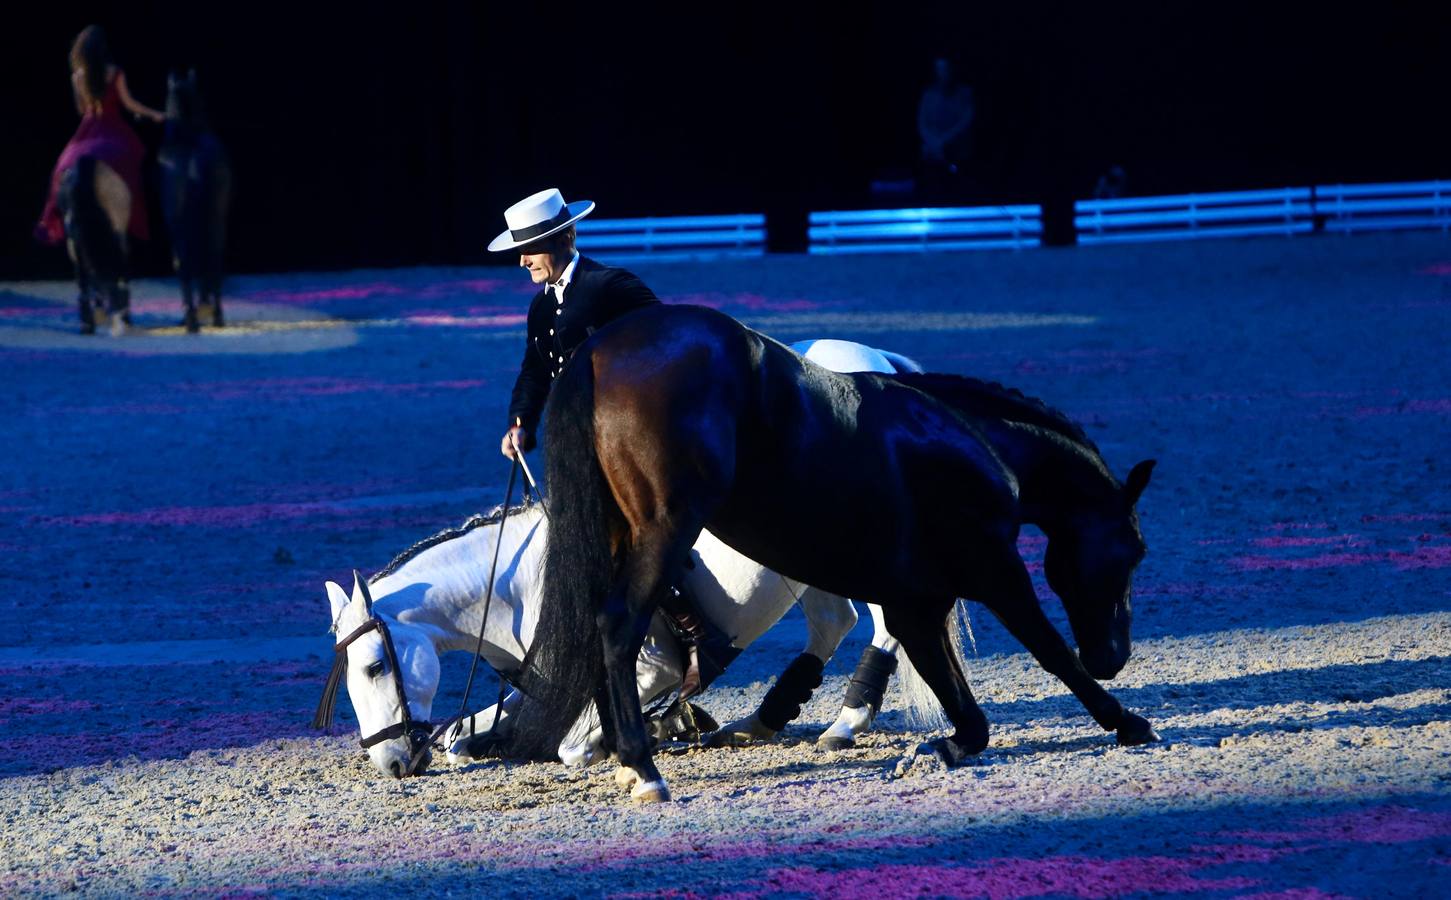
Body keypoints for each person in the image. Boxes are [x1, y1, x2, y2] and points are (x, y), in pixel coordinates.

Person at [490, 188, 660, 460]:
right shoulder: (540, 307)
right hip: (571, 439)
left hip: (626, 441)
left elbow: (666, 336)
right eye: (521, 251)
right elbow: (535, 371)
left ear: (565, 238)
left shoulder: (610, 285)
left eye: (531, 248)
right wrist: (519, 424)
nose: (523, 261)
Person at [36, 25, 163, 249]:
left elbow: (81, 109)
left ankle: (54, 217)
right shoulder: (115, 72)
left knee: (60, 170)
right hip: (114, 128)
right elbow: (130, 104)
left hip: (88, 130)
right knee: (136, 166)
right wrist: (154, 114)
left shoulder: (78, 77)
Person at [917, 57, 976, 197]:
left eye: (945, 68)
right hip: (933, 152)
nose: (942, 73)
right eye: (938, 69)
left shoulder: (965, 93)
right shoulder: (928, 94)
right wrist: (932, 142)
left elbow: (966, 121)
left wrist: (944, 140)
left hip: (958, 152)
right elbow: (921, 122)